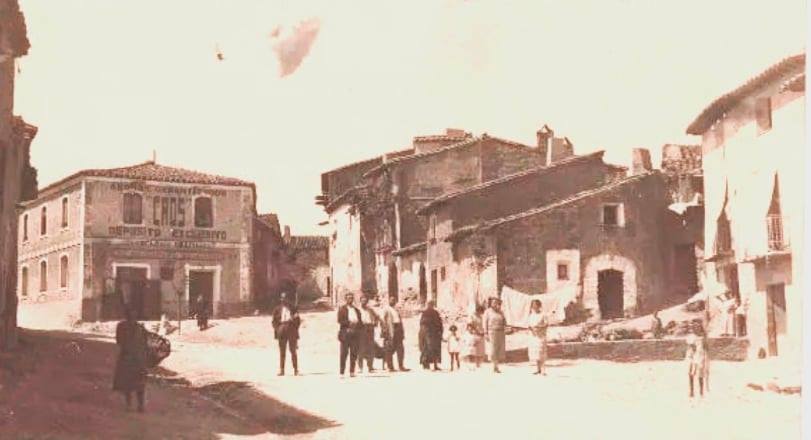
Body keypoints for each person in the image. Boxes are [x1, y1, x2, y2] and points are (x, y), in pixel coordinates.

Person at [113, 305, 149, 412]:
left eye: (134, 314)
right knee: (129, 382)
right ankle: (132, 405)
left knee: (137, 382)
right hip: (130, 357)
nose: (133, 316)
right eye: (131, 314)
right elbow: (119, 341)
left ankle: (139, 405)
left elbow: (145, 342)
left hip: (133, 357)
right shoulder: (124, 326)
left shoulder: (139, 327)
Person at [272, 292, 301, 376]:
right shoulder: (277, 309)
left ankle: (296, 369)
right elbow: (274, 321)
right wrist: (277, 329)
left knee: (293, 351)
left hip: (291, 330)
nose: (284, 301)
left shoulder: (294, 309)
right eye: (282, 299)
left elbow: (298, 321)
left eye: (285, 299)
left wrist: (294, 326)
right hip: (281, 330)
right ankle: (282, 370)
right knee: (282, 351)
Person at [381, 295, 409, 372]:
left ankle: (401, 366)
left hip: (398, 330)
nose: (393, 301)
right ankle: (390, 367)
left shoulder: (396, 309)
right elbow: (382, 321)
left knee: (400, 349)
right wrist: (385, 331)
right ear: (389, 301)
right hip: (390, 330)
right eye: (391, 300)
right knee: (389, 349)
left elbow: (400, 321)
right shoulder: (386, 309)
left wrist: (402, 332)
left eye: (394, 300)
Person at [337, 293, 362, 377]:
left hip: (355, 334)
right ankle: (342, 372)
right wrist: (349, 323)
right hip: (345, 333)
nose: (350, 300)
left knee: (354, 353)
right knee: (344, 353)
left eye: (351, 298)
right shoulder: (342, 309)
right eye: (348, 298)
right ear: (346, 299)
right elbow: (340, 320)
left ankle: (352, 371)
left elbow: (360, 321)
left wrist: (358, 325)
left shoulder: (356, 310)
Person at [685, 322, 709, 398]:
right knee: (691, 373)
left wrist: (706, 355)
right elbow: (691, 348)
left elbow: (706, 347)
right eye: (695, 327)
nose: (697, 329)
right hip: (693, 356)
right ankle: (691, 391)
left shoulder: (702, 337)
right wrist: (691, 356)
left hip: (700, 356)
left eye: (698, 327)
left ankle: (701, 392)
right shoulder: (691, 337)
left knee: (700, 374)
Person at [483, 297, 507, 373]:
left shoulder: (501, 312)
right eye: (493, 302)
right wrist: (485, 333)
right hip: (492, 332)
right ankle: (494, 366)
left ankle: (496, 366)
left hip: (500, 332)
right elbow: (484, 323)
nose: (495, 304)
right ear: (491, 303)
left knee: (499, 349)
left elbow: (505, 322)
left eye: (496, 302)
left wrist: (505, 327)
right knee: (493, 349)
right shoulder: (487, 312)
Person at [357, 295, 379, 373]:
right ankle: (360, 367)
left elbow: (377, 317)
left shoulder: (370, 309)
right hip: (361, 328)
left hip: (370, 328)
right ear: (360, 301)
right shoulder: (357, 310)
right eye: (363, 300)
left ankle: (370, 367)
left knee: (371, 348)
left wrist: (375, 324)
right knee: (361, 348)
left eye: (365, 301)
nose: (364, 302)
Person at [419, 301, 443, 371]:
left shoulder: (435, 312)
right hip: (429, 334)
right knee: (428, 349)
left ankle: (434, 365)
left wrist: (440, 331)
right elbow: (424, 324)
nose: (430, 306)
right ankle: (427, 364)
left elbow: (439, 323)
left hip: (434, 334)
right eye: (430, 305)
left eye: (431, 305)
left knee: (434, 349)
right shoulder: (426, 313)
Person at [527, 299, 549, 375]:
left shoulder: (543, 314)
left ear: (539, 306)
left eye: (536, 305)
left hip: (541, 336)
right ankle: (538, 369)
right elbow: (529, 325)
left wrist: (539, 327)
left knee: (541, 352)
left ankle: (543, 370)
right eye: (533, 305)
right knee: (535, 353)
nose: (534, 306)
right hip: (533, 336)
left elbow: (546, 324)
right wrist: (531, 329)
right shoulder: (531, 315)